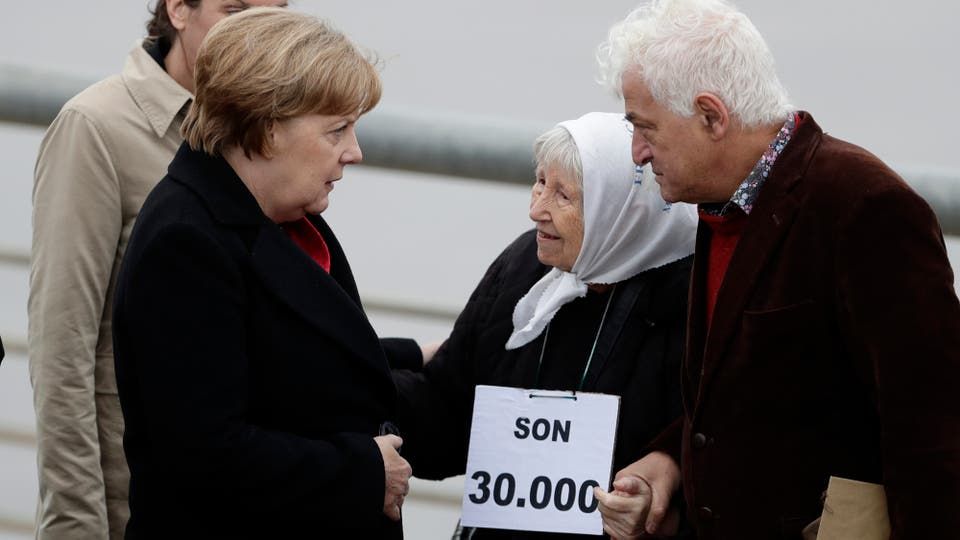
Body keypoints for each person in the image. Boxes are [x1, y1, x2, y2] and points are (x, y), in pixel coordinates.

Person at [591, 1, 960, 539]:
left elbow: (933, 431)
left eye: (645, 128)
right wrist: (668, 461)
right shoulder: (721, 204)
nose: (637, 152)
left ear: (712, 116)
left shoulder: (864, 206)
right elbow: (754, 395)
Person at [111, 8, 413, 538]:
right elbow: (205, 452)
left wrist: (416, 355)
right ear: (269, 127)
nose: (354, 152)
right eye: (337, 129)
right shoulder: (185, 243)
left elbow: (289, 358)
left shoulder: (278, 217)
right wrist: (365, 470)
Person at [29, 1, 287, 537]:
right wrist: (75, 524)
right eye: (235, 10)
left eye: (275, 14)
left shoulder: (272, 136)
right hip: (132, 503)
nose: (256, 34)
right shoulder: (97, 127)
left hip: (244, 496)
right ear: (178, 9)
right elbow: (62, 346)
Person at [393, 112, 699, 539]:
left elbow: (710, 454)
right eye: (539, 182)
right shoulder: (526, 267)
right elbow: (450, 408)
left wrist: (657, 501)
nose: (536, 209)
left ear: (620, 210)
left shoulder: (688, 299)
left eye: (563, 196)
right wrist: (356, 392)